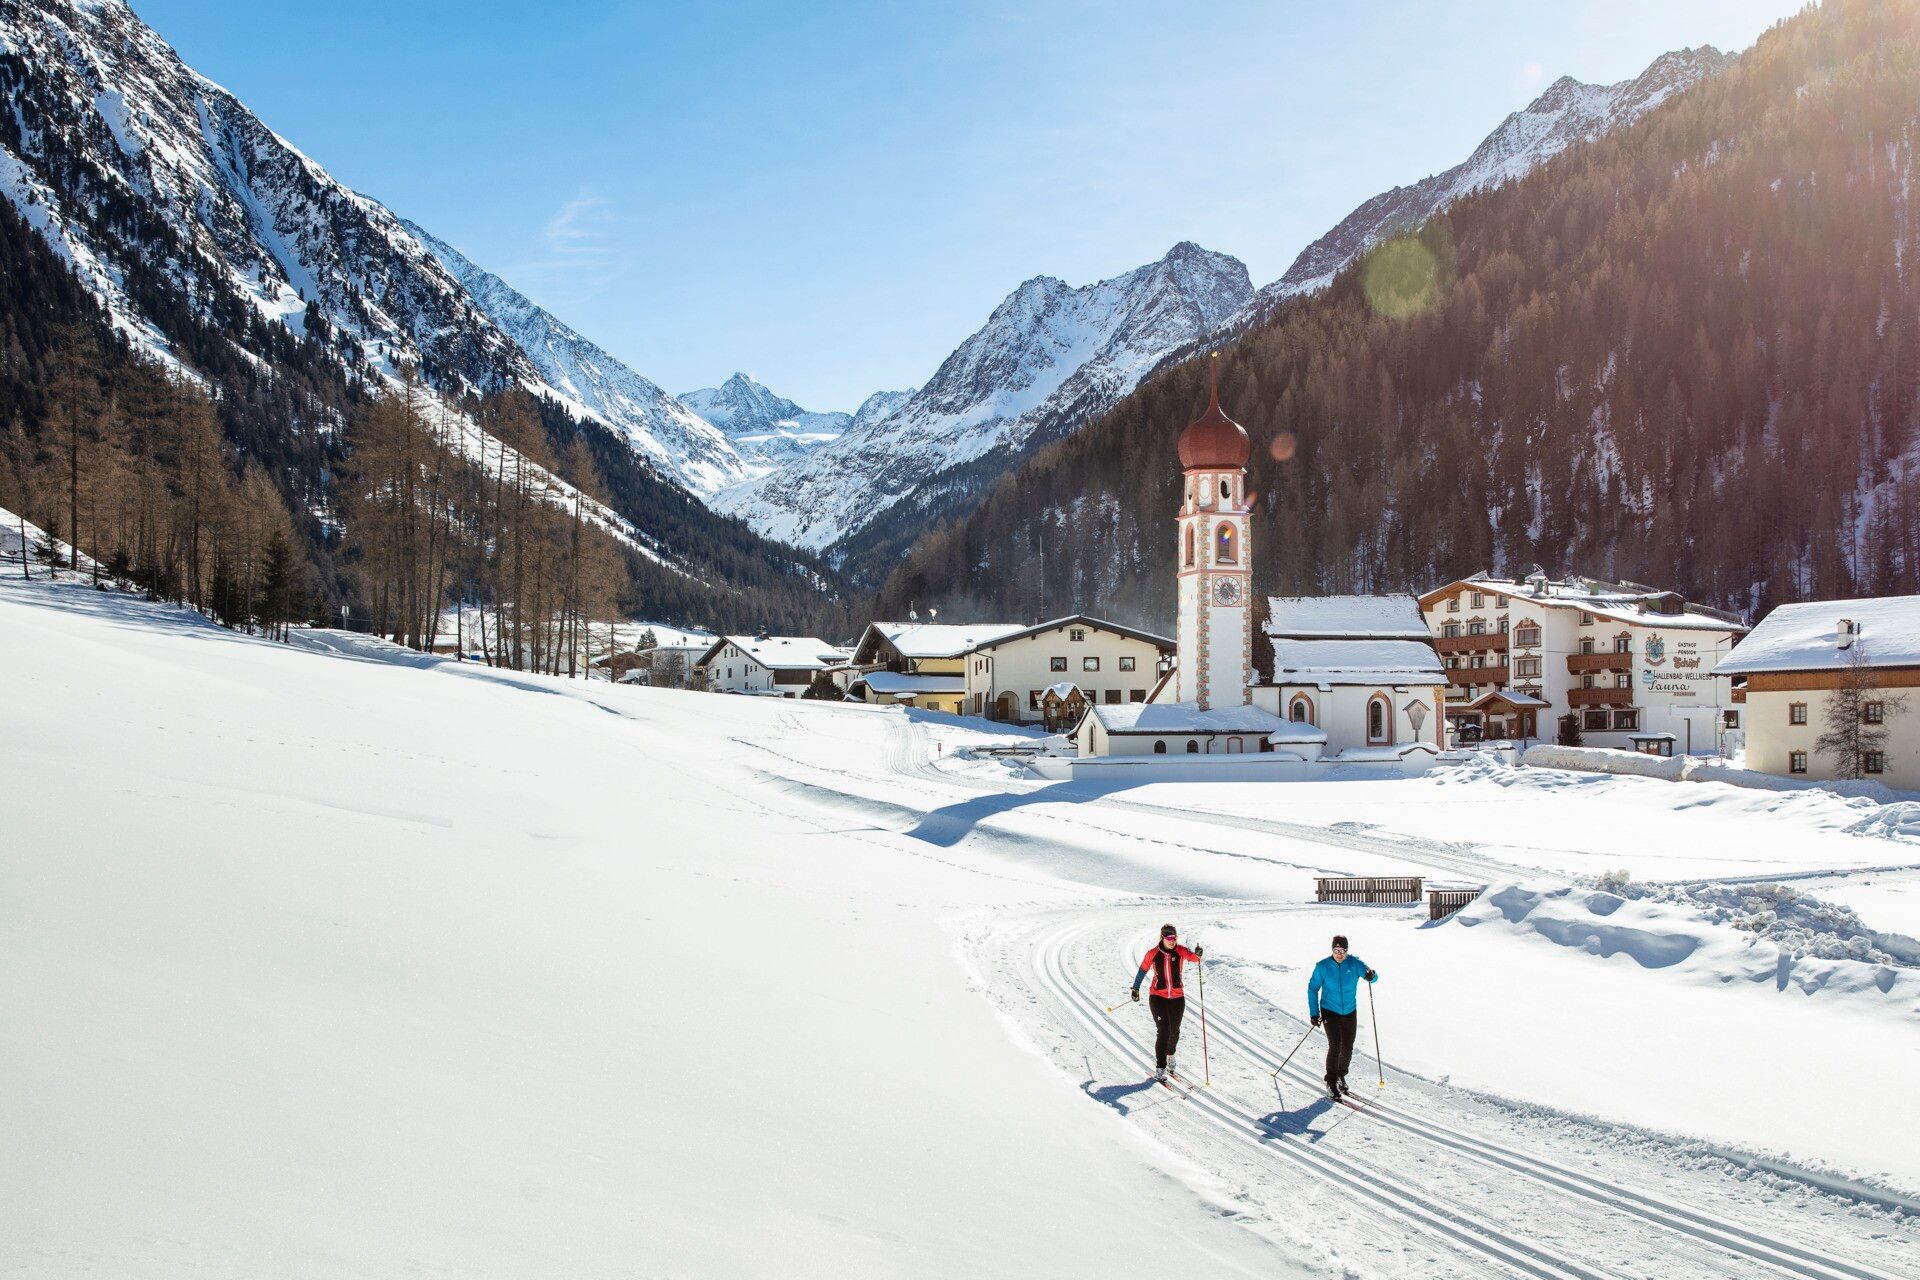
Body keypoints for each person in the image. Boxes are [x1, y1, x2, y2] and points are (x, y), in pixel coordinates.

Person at [1307, 934, 1376, 1098]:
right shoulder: (1323, 966)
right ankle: (1331, 1081)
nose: (1339, 954)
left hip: (1349, 1011)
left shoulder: (1354, 963)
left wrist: (1371, 975)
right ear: (1332, 950)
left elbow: (1372, 977)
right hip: (1329, 1010)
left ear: (1347, 950)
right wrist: (1314, 1013)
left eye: (1342, 951)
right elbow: (1312, 988)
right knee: (1335, 1045)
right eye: (1336, 950)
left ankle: (1340, 1075)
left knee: (1347, 1046)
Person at [1131, 923, 1202, 1081]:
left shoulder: (1180, 951)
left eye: (1174, 938)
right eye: (1169, 938)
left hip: (1177, 998)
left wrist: (1198, 954)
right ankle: (1160, 1067)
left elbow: (1194, 958)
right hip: (1158, 997)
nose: (1172, 941)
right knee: (1163, 1031)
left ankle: (1170, 1054)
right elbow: (1143, 969)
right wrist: (1135, 988)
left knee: (1174, 1032)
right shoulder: (1153, 953)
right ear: (1163, 938)